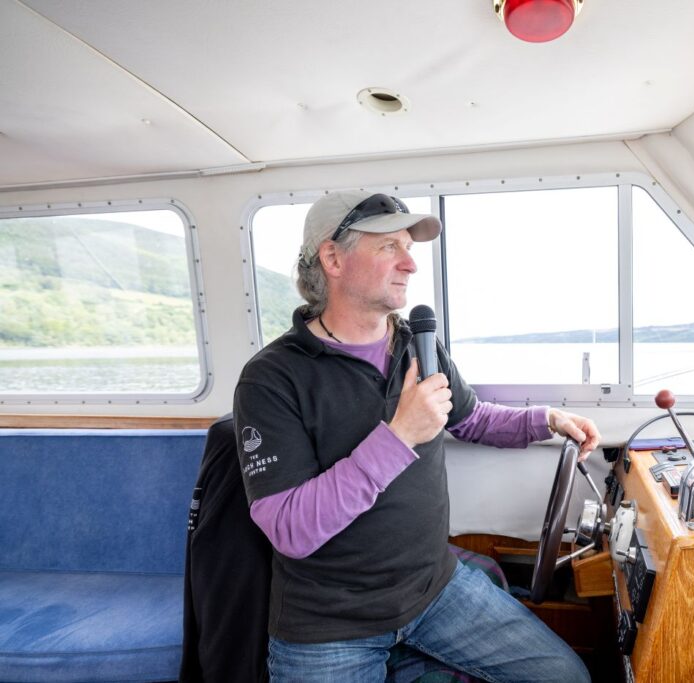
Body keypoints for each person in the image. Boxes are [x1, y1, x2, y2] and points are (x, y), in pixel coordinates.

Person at [233, 190, 601, 683]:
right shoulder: (272, 378)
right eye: (389, 247)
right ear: (332, 257)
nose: (410, 264)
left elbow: (469, 418)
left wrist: (546, 420)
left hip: (433, 590)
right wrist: (399, 435)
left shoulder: (415, 344)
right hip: (329, 622)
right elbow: (290, 529)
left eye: (409, 247)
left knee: (566, 677)